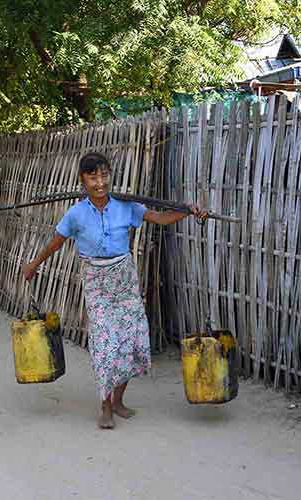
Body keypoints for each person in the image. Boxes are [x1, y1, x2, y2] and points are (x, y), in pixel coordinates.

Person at [22, 152, 207, 429]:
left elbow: (160, 218)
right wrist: (34, 264)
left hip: (124, 279)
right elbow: (56, 242)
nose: (100, 182)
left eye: (104, 174)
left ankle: (119, 400)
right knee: (107, 344)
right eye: (93, 176)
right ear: (83, 180)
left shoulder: (126, 206)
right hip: (96, 282)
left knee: (132, 341)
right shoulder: (76, 214)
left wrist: (188, 211)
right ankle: (105, 406)